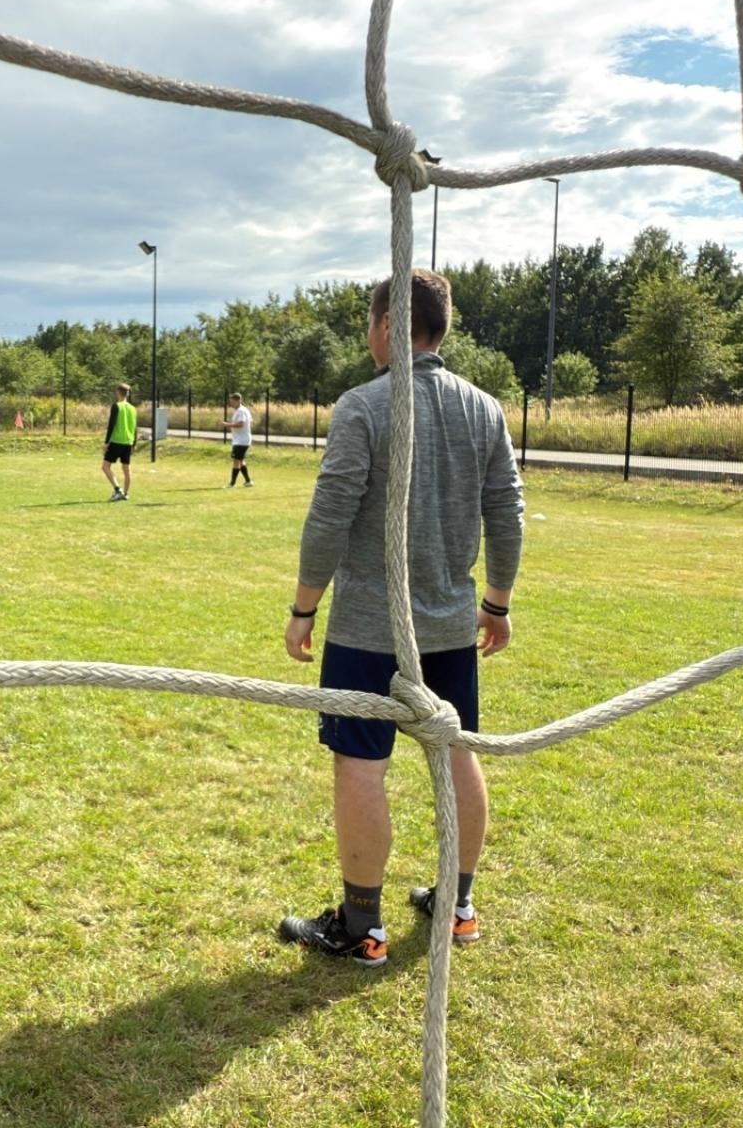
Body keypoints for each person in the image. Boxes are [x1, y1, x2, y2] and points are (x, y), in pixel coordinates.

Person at [277, 268, 524, 968]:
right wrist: (497, 602)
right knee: (456, 752)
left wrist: (303, 607)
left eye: (368, 323)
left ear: (388, 325)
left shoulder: (364, 405)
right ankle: (458, 906)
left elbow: (329, 515)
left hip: (367, 630)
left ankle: (363, 928)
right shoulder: (484, 408)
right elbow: (508, 513)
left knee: (361, 764)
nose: (367, 335)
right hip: (450, 627)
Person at [101, 382, 137, 502]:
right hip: (128, 442)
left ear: (118, 393)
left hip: (117, 440)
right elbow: (135, 427)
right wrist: (134, 444)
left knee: (105, 466)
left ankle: (118, 490)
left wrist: (106, 442)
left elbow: (111, 425)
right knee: (126, 469)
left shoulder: (116, 406)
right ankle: (125, 494)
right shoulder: (133, 409)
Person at [220, 392, 254, 488]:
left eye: (232, 402)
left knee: (236, 461)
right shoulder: (243, 410)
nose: (230, 404)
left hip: (241, 441)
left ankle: (232, 484)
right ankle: (248, 481)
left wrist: (228, 425)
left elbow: (241, 424)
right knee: (240, 461)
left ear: (238, 401)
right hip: (241, 439)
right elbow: (250, 422)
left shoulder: (241, 411)